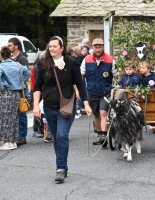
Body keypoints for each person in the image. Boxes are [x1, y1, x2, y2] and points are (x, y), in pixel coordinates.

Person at [33, 36, 92, 182]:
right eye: (50, 46)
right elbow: (37, 87)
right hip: (49, 106)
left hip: (66, 106)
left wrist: (86, 103)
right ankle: (62, 166)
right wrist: (35, 106)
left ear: (62, 48)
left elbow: (80, 84)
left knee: (61, 136)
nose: (51, 48)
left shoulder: (71, 62)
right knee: (56, 138)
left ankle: (60, 168)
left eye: (54, 46)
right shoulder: (43, 63)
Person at [80, 38, 118, 147]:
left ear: (103, 47)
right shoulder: (86, 60)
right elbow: (81, 76)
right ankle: (100, 135)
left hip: (105, 91)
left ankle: (105, 136)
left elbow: (116, 76)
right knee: (96, 114)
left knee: (103, 113)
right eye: (95, 47)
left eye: (100, 47)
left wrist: (117, 87)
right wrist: (78, 89)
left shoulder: (110, 60)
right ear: (92, 48)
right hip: (91, 91)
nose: (97, 49)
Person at [0, 46, 31, 150]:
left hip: (6, 94)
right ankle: (14, 140)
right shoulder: (17, 64)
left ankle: (9, 142)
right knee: (15, 118)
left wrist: (2, 86)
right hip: (17, 93)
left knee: (6, 118)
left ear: (1, 56)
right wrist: (21, 82)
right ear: (10, 55)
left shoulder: (0, 66)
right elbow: (28, 72)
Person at [8, 37, 29, 146]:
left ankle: (22, 136)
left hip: (21, 90)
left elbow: (27, 74)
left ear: (16, 46)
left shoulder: (22, 59)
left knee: (22, 113)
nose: (8, 47)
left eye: (10, 45)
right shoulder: (10, 58)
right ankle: (14, 134)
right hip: (11, 90)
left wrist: (19, 83)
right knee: (13, 114)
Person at [139, 60, 155, 133]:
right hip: (142, 96)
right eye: (141, 68)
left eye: (143, 68)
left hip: (151, 95)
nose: (141, 69)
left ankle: (153, 124)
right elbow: (139, 85)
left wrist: (151, 89)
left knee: (152, 107)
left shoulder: (153, 77)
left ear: (148, 69)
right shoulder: (141, 78)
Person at [30, 51, 46, 138]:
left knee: (39, 109)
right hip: (37, 90)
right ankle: (37, 129)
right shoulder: (38, 68)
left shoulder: (34, 67)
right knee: (38, 110)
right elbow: (39, 81)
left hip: (34, 89)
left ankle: (40, 129)